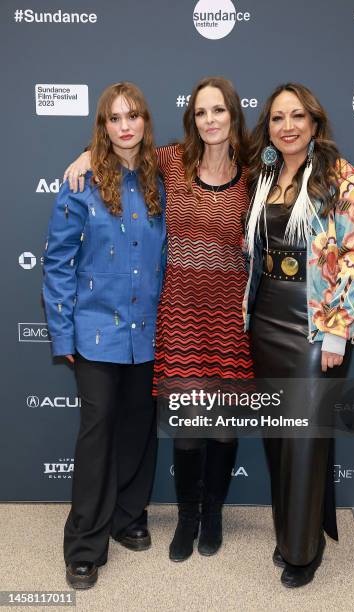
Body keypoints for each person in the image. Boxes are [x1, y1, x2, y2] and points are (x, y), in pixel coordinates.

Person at [63, 77, 253, 562]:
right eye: (201, 112)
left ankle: (213, 514)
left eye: (219, 111)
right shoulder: (171, 162)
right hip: (179, 314)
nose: (210, 120)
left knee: (223, 424)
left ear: (233, 115)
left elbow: (294, 177)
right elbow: (122, 157)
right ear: (192, 119)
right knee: (188, 421)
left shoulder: (254, 173)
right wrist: (85, 156)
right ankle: (187, 517)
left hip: (231, 316)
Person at [244, 83, 354, 588]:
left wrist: (338, 331)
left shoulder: (342, 177)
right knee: (279, 437)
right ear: (269, 127)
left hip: (315, 320)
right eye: (278, 118)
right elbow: (186, 156)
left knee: (303, 437)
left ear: (315, 124)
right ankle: (292, 531)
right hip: (267, 312)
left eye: (298, 116)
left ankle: (302, 551)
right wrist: (87, 153)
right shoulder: (265, 173)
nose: (288, 126)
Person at [43, 82, 166, 589]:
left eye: (133, 116)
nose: (125, 126)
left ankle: (128, 517)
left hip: (151, 329)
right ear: (103, 125)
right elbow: (57, 264)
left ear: (144, 122)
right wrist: (62, 334)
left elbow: (213, 152)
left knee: (139, 427)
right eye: (115, 118)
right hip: (95, 331)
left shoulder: (167, 174)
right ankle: (85, 543)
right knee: (97, 434)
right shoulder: (81, 182)